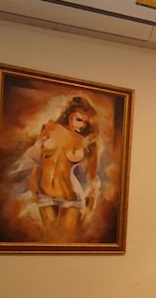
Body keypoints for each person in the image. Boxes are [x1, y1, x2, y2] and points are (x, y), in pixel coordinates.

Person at [27, 95, 101, 240]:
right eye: (79, 119)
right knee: (50, 240)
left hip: (71, 198)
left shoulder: (88, 142)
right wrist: (33, 182)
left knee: (66, 240)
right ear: (69, 114)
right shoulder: (49, 129)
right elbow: (37, 160)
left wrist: (91, 204)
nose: (81, 126)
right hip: (45, 195)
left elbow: (92, 177)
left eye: (85, 123)